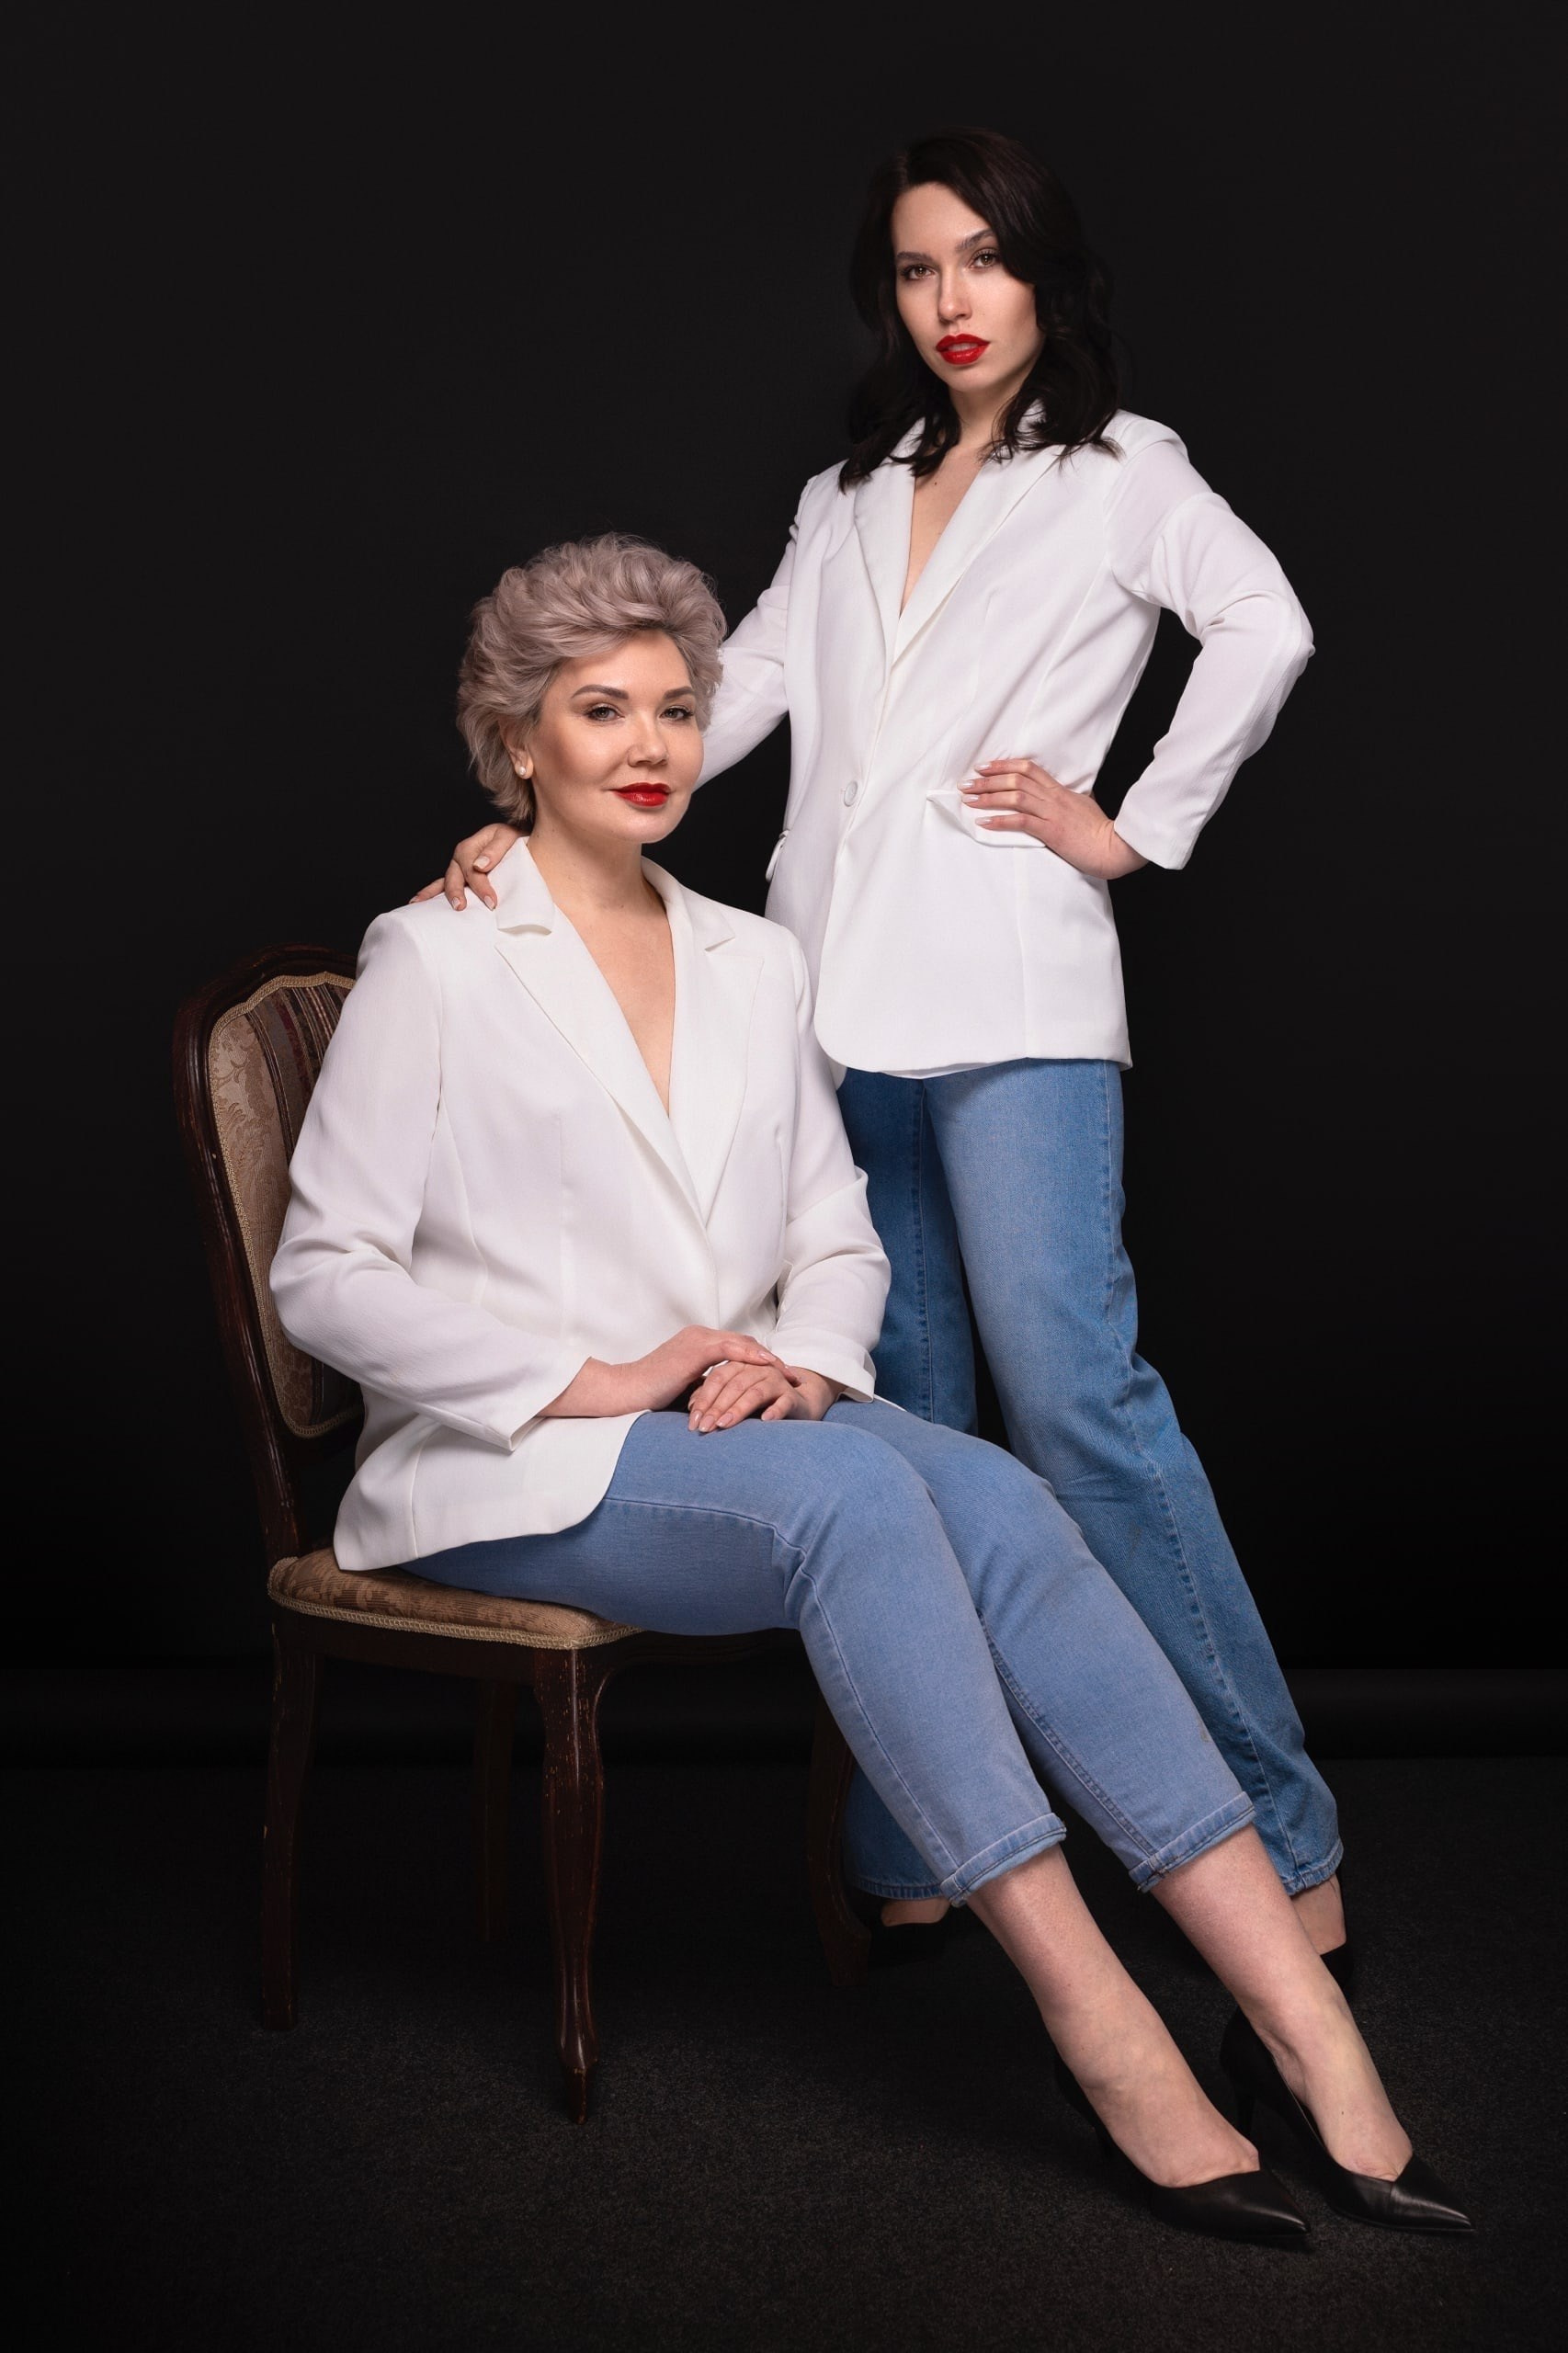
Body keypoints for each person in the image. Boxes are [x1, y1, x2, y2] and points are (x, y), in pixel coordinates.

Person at [277, 535, 1467, 2239]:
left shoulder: (756, 959)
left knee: (993, 1490)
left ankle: (1299, 2022)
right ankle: (1100, 2023)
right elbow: (324, 1278)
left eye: (675, 708)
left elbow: (835, 1237)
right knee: (858, 1499)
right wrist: (594, 1375)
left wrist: (805, 1360)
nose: (650, 744)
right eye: (600, 709)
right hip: (514, 1461)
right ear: (515, 739)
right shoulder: (436, 956)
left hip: (736, 1428)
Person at [421, 130, 1346, 1960]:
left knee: (1073, 1399)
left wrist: (1128, 828)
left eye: (984, 261)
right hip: (836, 994)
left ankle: (1281, 1829)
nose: (951, 301)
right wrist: (538, 823)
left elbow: (1266, 624)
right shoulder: (848, 489)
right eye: (919, 268)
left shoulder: (1121, 473)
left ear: (1045, 275)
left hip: (1011, 990)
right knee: (902, 1418)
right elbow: (747, 686)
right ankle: (925, 1827)